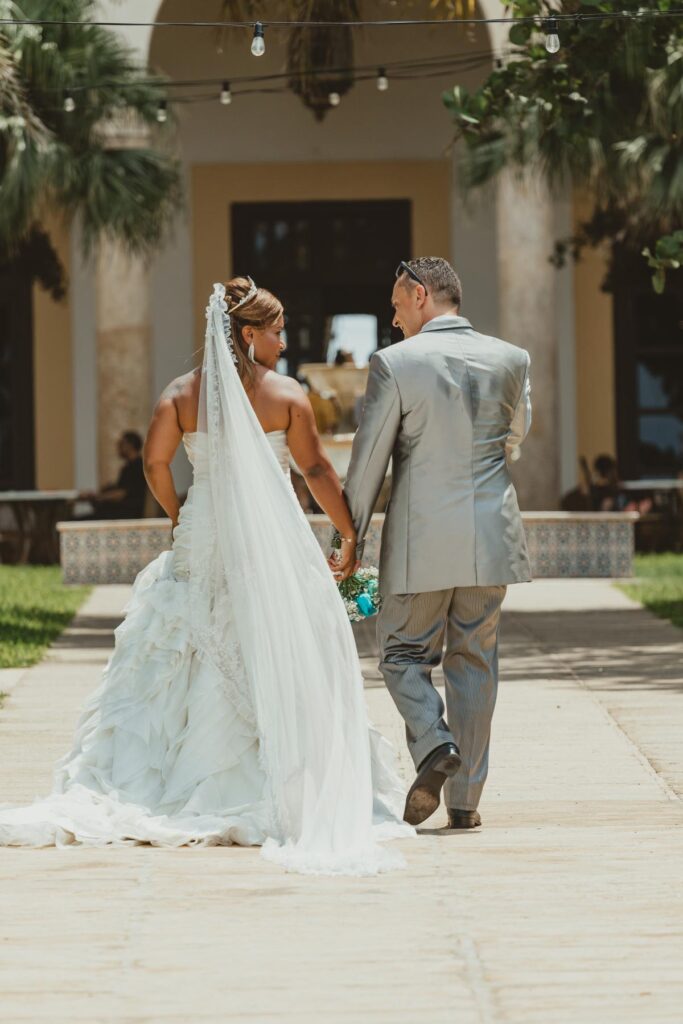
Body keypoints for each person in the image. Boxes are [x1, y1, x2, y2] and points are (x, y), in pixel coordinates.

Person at [0, 277, 413, 875]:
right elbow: (318, 469)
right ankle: (261, 773)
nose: (283, 337)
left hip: (203, 528)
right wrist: (349, 532)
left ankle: (165, 774)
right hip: (268, 534)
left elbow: (153, 461)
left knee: (183, 639)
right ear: (249, 335)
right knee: (267, 631)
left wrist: (177, 512)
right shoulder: (286, 395)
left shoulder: (179, 394)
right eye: (276, 328)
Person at [343, 257, 532, 831]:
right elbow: (515, 435)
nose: (394, 318)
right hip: (492, 534)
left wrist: (346, 539)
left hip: (422, 539)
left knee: (400, 655)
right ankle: (467, 801)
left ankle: (433, 745)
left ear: (421, 295)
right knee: (475, 660)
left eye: (398, 306)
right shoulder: (512, 358)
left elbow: (368, 461)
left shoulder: (395, 363)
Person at [79, 431, 147, 519]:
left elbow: (121, 494)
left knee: (75, 520)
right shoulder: (131, 466)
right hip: (122, 511)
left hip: (126, 514)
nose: (118, 447)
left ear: (130, 445)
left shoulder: (136, 466)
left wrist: (98, 497)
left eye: (121, 443)